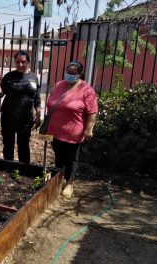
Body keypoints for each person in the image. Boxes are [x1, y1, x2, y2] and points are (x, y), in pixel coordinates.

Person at [45, 61, 98, 198]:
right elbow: (51, 102)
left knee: (71, 159)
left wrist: (89, 129)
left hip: (73, 132)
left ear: (80, 74)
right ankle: (59, 179)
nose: (69, 75)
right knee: (58, 157)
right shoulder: (59, 85)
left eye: (73, 73)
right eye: (68, 72)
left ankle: (69, 183)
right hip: (55, 130)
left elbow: (92, 112)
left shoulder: (86, 90)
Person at [0, 50, 41, 164]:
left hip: (25, 118)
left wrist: (38, 114)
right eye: (18, 62)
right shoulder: (9, 76)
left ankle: (24, 169)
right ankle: (8, 168)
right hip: (8, 116)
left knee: (24, 145)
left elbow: (37, 97)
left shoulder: (33, 77)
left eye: (23, 62)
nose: (20, 64)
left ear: (28, 62)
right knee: (8, 144)